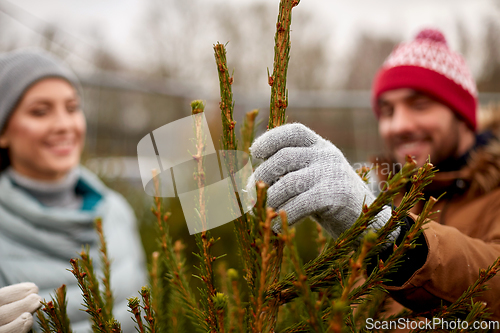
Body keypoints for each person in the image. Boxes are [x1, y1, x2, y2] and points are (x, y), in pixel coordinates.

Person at [248, 28, 500, 320]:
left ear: (463, 116)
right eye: (387, 111)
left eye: (419, 105)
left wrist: (383, 226)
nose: (399, 125)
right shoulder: (391, 193)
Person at [0, 50, 146, 332]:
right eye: (40, 111)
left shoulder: (116, 210)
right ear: (3, 131)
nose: (64, 125)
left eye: (72, 108)